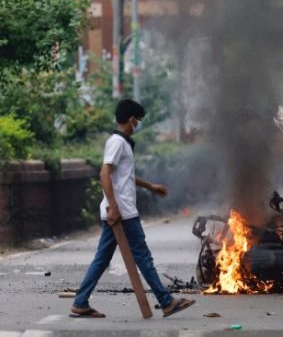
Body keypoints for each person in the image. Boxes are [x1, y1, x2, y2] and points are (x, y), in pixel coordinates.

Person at [71, 99, 195, 319]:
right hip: (123, 213)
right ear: (131, 119)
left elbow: (124, 176)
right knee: (143, 257)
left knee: (102, 259)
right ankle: (166, 302)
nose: (137, 125)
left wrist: (150, 186)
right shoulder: (118, 142)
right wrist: (114, 207)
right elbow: (105, 173)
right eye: (137, 120)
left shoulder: (120, 143)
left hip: (120, 211)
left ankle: (80, 302)